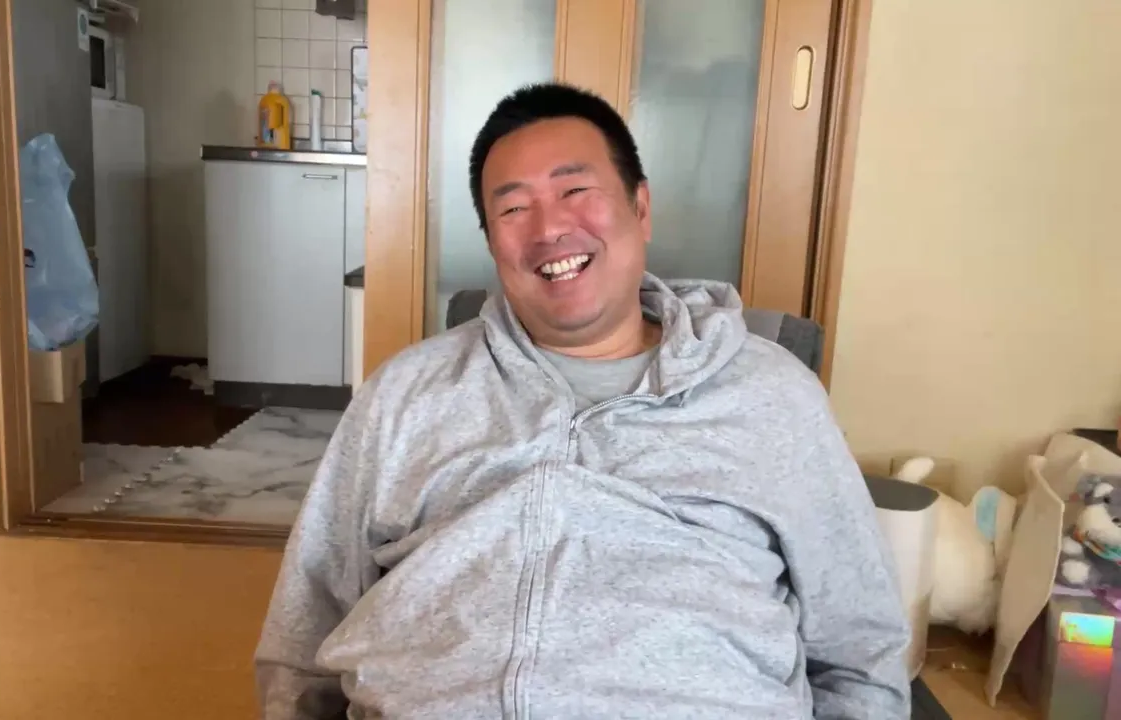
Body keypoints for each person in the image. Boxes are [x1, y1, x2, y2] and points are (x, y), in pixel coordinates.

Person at [255, 82, 911, 719]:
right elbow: (304, 631)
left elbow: (860, 648)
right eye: (514, 209)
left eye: (575, 191)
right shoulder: (405, 393)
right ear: (492, 242)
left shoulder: (771, 394)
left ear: (640, 207)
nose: (549, 228)